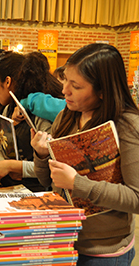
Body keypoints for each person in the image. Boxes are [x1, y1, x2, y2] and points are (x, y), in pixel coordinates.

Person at [32, 43, 139, 265]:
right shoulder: (67, 116)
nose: (64, 91)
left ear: (102, 90)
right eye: (65, 81)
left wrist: (78, 183)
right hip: (63, 239)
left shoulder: (127, 126)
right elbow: (46, 181)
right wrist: (41, 155)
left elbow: (136, 198)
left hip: (104, 250)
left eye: (76, 86)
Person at [0, 51, 63, 192]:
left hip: (37, 192)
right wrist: (4, 166)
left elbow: (52, 166)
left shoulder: (40, 115)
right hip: (9, 187)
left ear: (8, 82)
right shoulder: (9, 109)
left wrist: (14, 167)